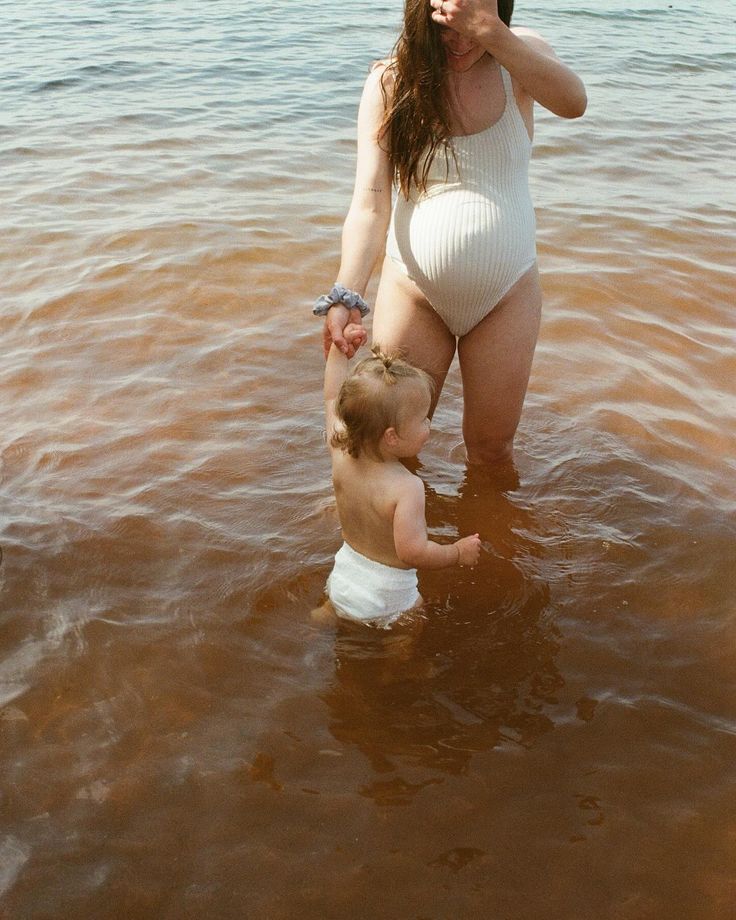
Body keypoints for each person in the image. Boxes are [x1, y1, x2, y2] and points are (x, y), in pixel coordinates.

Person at [313, 0, 586, 466]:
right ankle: (405, 537)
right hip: (414, 292)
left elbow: (574, 103)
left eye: (471, 24)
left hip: (507, 296)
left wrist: (491, 32)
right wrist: (346, 295)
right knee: (388, 449)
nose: (460, 41)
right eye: (446, 27)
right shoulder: (390, 80)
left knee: (491, 450)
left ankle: (487, 540)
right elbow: (371, 202)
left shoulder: (519, 58)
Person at [317, 332, 481, 628]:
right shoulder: (406, 487)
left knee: (330, 616)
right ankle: (398, 666)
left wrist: (339, 350)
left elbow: (331, 397)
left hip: (344, 575)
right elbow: (413, 551)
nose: (429, 425)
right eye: (422, 420)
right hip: (388, 593)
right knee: (412, 633)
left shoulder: (340, 451)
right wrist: (457, 552)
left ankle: (320, 623)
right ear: (391, 437)